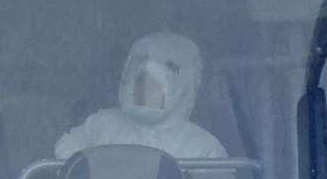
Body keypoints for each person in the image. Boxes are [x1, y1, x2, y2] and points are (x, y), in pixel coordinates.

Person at [55, 32, 227, 160]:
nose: (144, 89)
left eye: (154, 84)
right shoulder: (102, 124)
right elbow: (66, 154)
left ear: (184, 87)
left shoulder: (202, 147)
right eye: (139, 81)